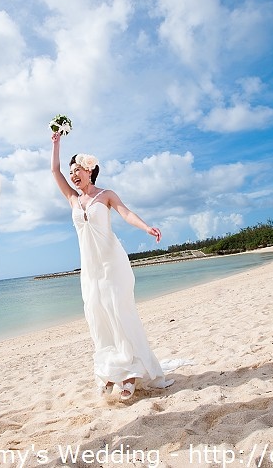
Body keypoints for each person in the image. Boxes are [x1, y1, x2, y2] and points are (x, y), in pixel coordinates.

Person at [50, 132, 175, 401]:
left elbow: (126, 213)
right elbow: (54, 170)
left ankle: (130, 373)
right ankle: (109, 370)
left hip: (112, 264)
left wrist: (146, 227)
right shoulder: (73, 199)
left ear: (90, 170)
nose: (73, 175)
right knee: (98, 316)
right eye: (71, 172)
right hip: (91, 269)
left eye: (78, 170)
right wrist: (56, 144)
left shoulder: (106, 195)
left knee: (119, 312)